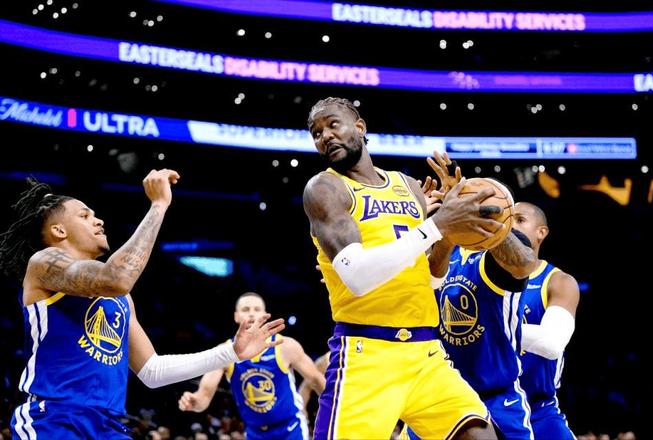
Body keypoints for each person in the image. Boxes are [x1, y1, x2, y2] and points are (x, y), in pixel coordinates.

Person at [0, 172, 285, 439]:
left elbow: (152, 370)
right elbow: (116, 278)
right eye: (85, 216)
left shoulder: (121, 299)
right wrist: (158, 205)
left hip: (108, 425)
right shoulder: (43, 263)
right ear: (59, 230)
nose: (99, 221)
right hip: (53, 419)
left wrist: (231, 352)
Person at [304, 97, 501, 439]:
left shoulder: (409, 187)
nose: (325, 136)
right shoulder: (325, 188)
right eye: (317, 133)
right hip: (367, 354)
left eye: (333, 125)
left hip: (425, 352)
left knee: (480, 435)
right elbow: (357, 277)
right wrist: (437, 224)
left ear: (360, 127)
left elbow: (431, 279)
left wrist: (447, 236)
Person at [402, 152, 540, 439]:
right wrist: (448, 225)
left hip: (496, 397)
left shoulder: (499, 253)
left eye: (480, 204)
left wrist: (484, 218)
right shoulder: (438, 249)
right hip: (437, 395)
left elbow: (524, 264)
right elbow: (423, 281)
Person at [178, 292, 326, 440]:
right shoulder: (224, 352)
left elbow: (317, 380)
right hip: (254, 432)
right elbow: (203, 396)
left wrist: (335, 409)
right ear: (236, 316)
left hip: (291, 428)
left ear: (265, 315)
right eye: (245, 309)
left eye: (257, 309)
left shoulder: (285, 346)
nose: (251, 314)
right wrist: (195, 402)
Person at [514, 201, 580, 439]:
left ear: (541, 232)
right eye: (506, 219)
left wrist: (492, 329)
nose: (510, 226)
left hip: (537, 410)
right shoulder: (475, 272)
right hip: (479, 402)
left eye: (520, 220)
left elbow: (552, 342)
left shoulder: (558, 282)